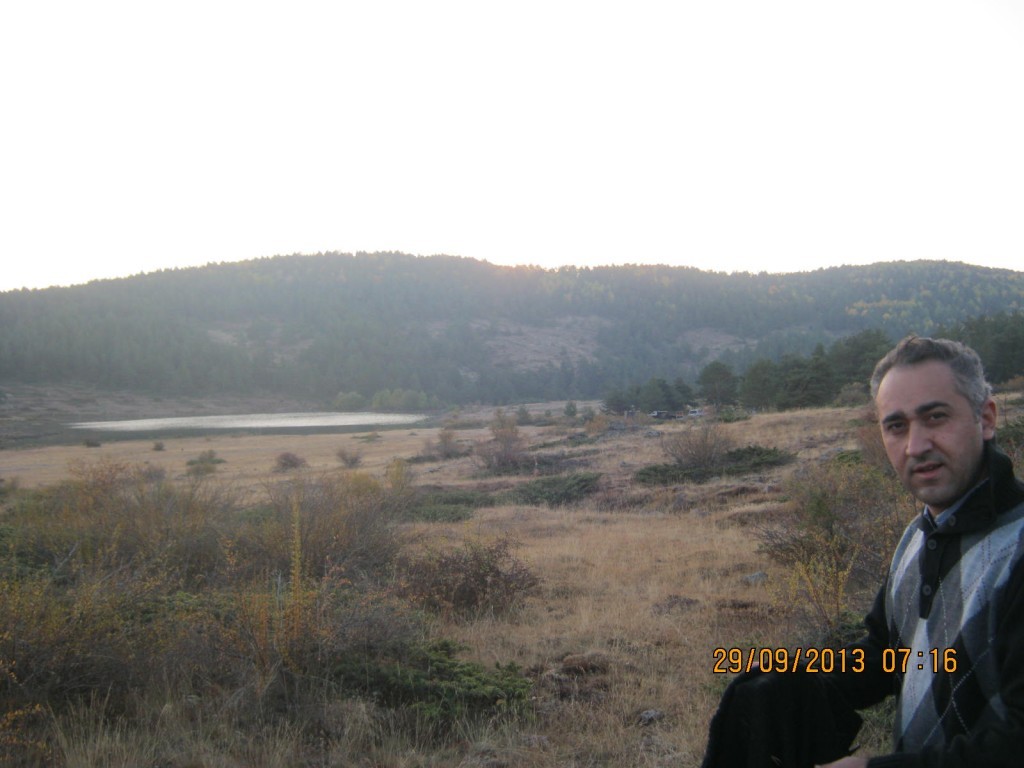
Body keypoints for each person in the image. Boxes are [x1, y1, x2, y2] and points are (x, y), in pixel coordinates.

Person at [703, 335, 1024, 767]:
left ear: (985, 418)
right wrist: (797, 676)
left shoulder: (1015, 550)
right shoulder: (920, 535)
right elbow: (887, 656)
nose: (916, 446)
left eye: (935, 417)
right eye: (896, 426)